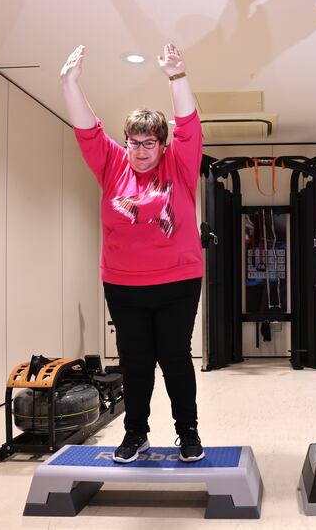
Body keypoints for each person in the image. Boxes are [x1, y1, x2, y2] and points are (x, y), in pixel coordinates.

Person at [60, 43, 205, 463]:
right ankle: (135, 434)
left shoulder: (179, 163)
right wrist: (70, 84)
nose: (139, 150)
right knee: (135, 361)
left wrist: (178, 77)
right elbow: (87, 128)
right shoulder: (111, 164)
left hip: (178, 281)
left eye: (148, 143)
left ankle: (188, 432)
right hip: (123, 284)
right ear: (124, 142)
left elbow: (189, 125)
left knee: (175, 358)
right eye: (133, 142)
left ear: (162, 145)